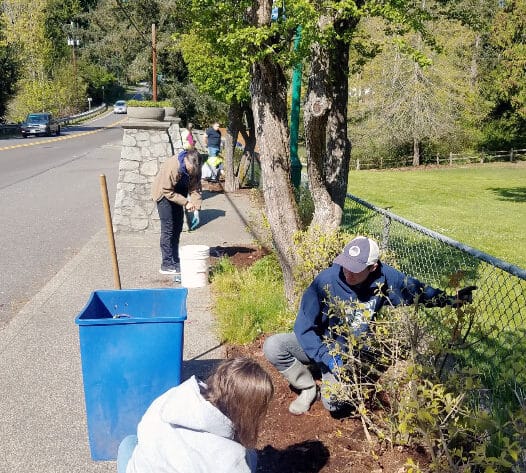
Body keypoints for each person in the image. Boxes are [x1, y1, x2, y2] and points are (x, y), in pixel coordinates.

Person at [263, 236, 476, 415]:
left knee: (335, 405)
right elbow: (303, 327)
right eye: (346, 263)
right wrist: (326, 357)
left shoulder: (385, 279)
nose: (347, 272)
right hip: (319, 345)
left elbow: (416, 292)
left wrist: (450, 300)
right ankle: (308, 387)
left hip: (348, 354)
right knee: (273, 346)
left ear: (373, 267)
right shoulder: (326, 280)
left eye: (355, 268)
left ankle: (328, 383)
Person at [117, 357, 274, 473]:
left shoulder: (171, 398)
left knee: (129, 442)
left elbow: (143, 429)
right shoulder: (234, 460)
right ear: (248, 412)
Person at [151, 149, 202, 275]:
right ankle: (166, 264)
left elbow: (195, 188)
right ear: (186, 160)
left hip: (178, 194)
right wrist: (186, 202)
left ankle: (174, 259)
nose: (192, 172)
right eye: (190, 169)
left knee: (178, 227)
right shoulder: (173, 166)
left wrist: (196, 209)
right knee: (168, 228)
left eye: (194, 170)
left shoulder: (196, 167)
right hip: (163, 194)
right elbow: (167, 190)